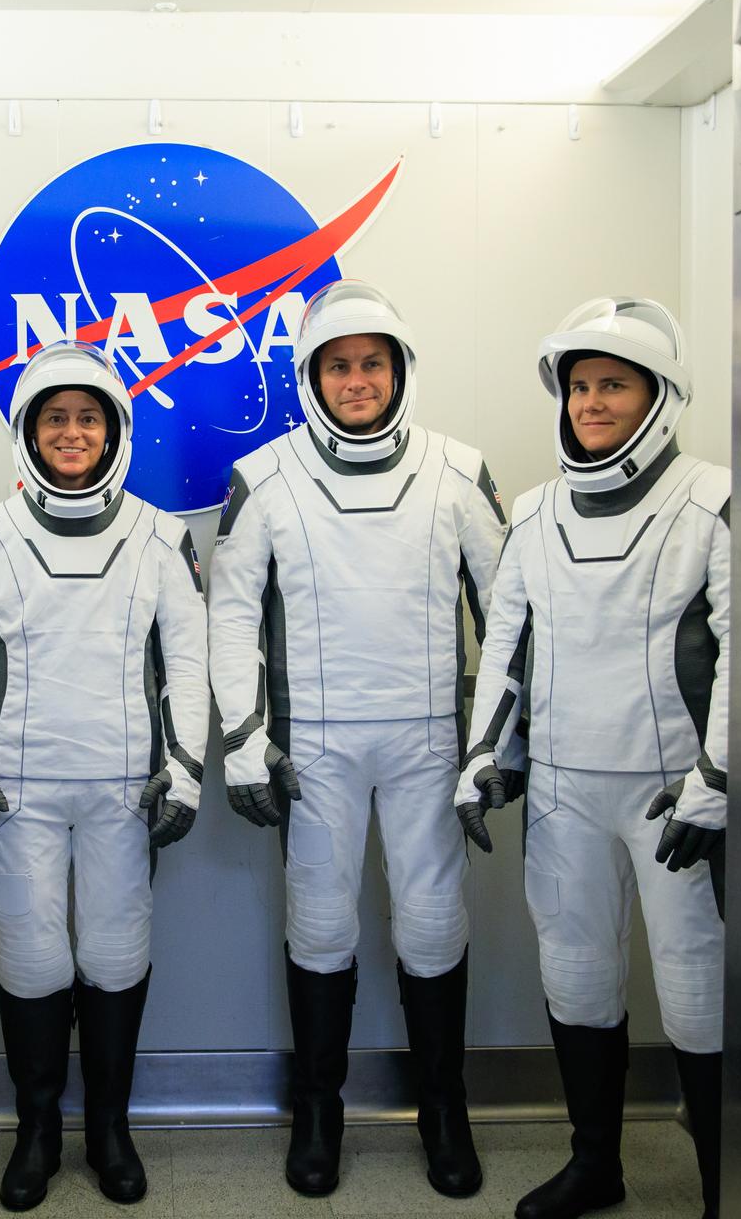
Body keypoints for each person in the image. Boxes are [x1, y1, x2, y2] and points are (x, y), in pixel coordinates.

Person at [208, 279, 507, 1198]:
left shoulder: (460, 469)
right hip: (317, 751)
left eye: (372, 362)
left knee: (430, 923)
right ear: (311, 375)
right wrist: (246, 737)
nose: (357, 380)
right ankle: (319, 1110)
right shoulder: (264, 478)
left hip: (427, 744)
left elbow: (509, 612)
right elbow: (229, 617)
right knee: (323, 925)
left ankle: (443, 1109)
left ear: (399, 369)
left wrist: (498, 743)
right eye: (338, 365)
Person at [455, 296, 727, 1219]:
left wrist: (718, 782)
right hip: (564, 792)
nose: (592, 403)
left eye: (613, 384)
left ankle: (726, 1179)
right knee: (575, 973)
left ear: (661, 396)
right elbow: (505, 645)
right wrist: (485, 754)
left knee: (696, 991)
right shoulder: (533, 513)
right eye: (580, 386)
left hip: (673, 796)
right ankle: (594, 1164)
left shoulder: (715, 499)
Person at [0, 340, 209, 1211]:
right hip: (19, 794)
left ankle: (110, 1131)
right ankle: (37, 1132)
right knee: (33, 955)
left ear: (115, 429)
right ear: (29, 431)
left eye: (89, 416)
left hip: (128, 791)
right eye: (56, 417)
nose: (73, 432)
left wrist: (187, 770)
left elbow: (190, 660)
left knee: (116, 954)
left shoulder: (162, 536)